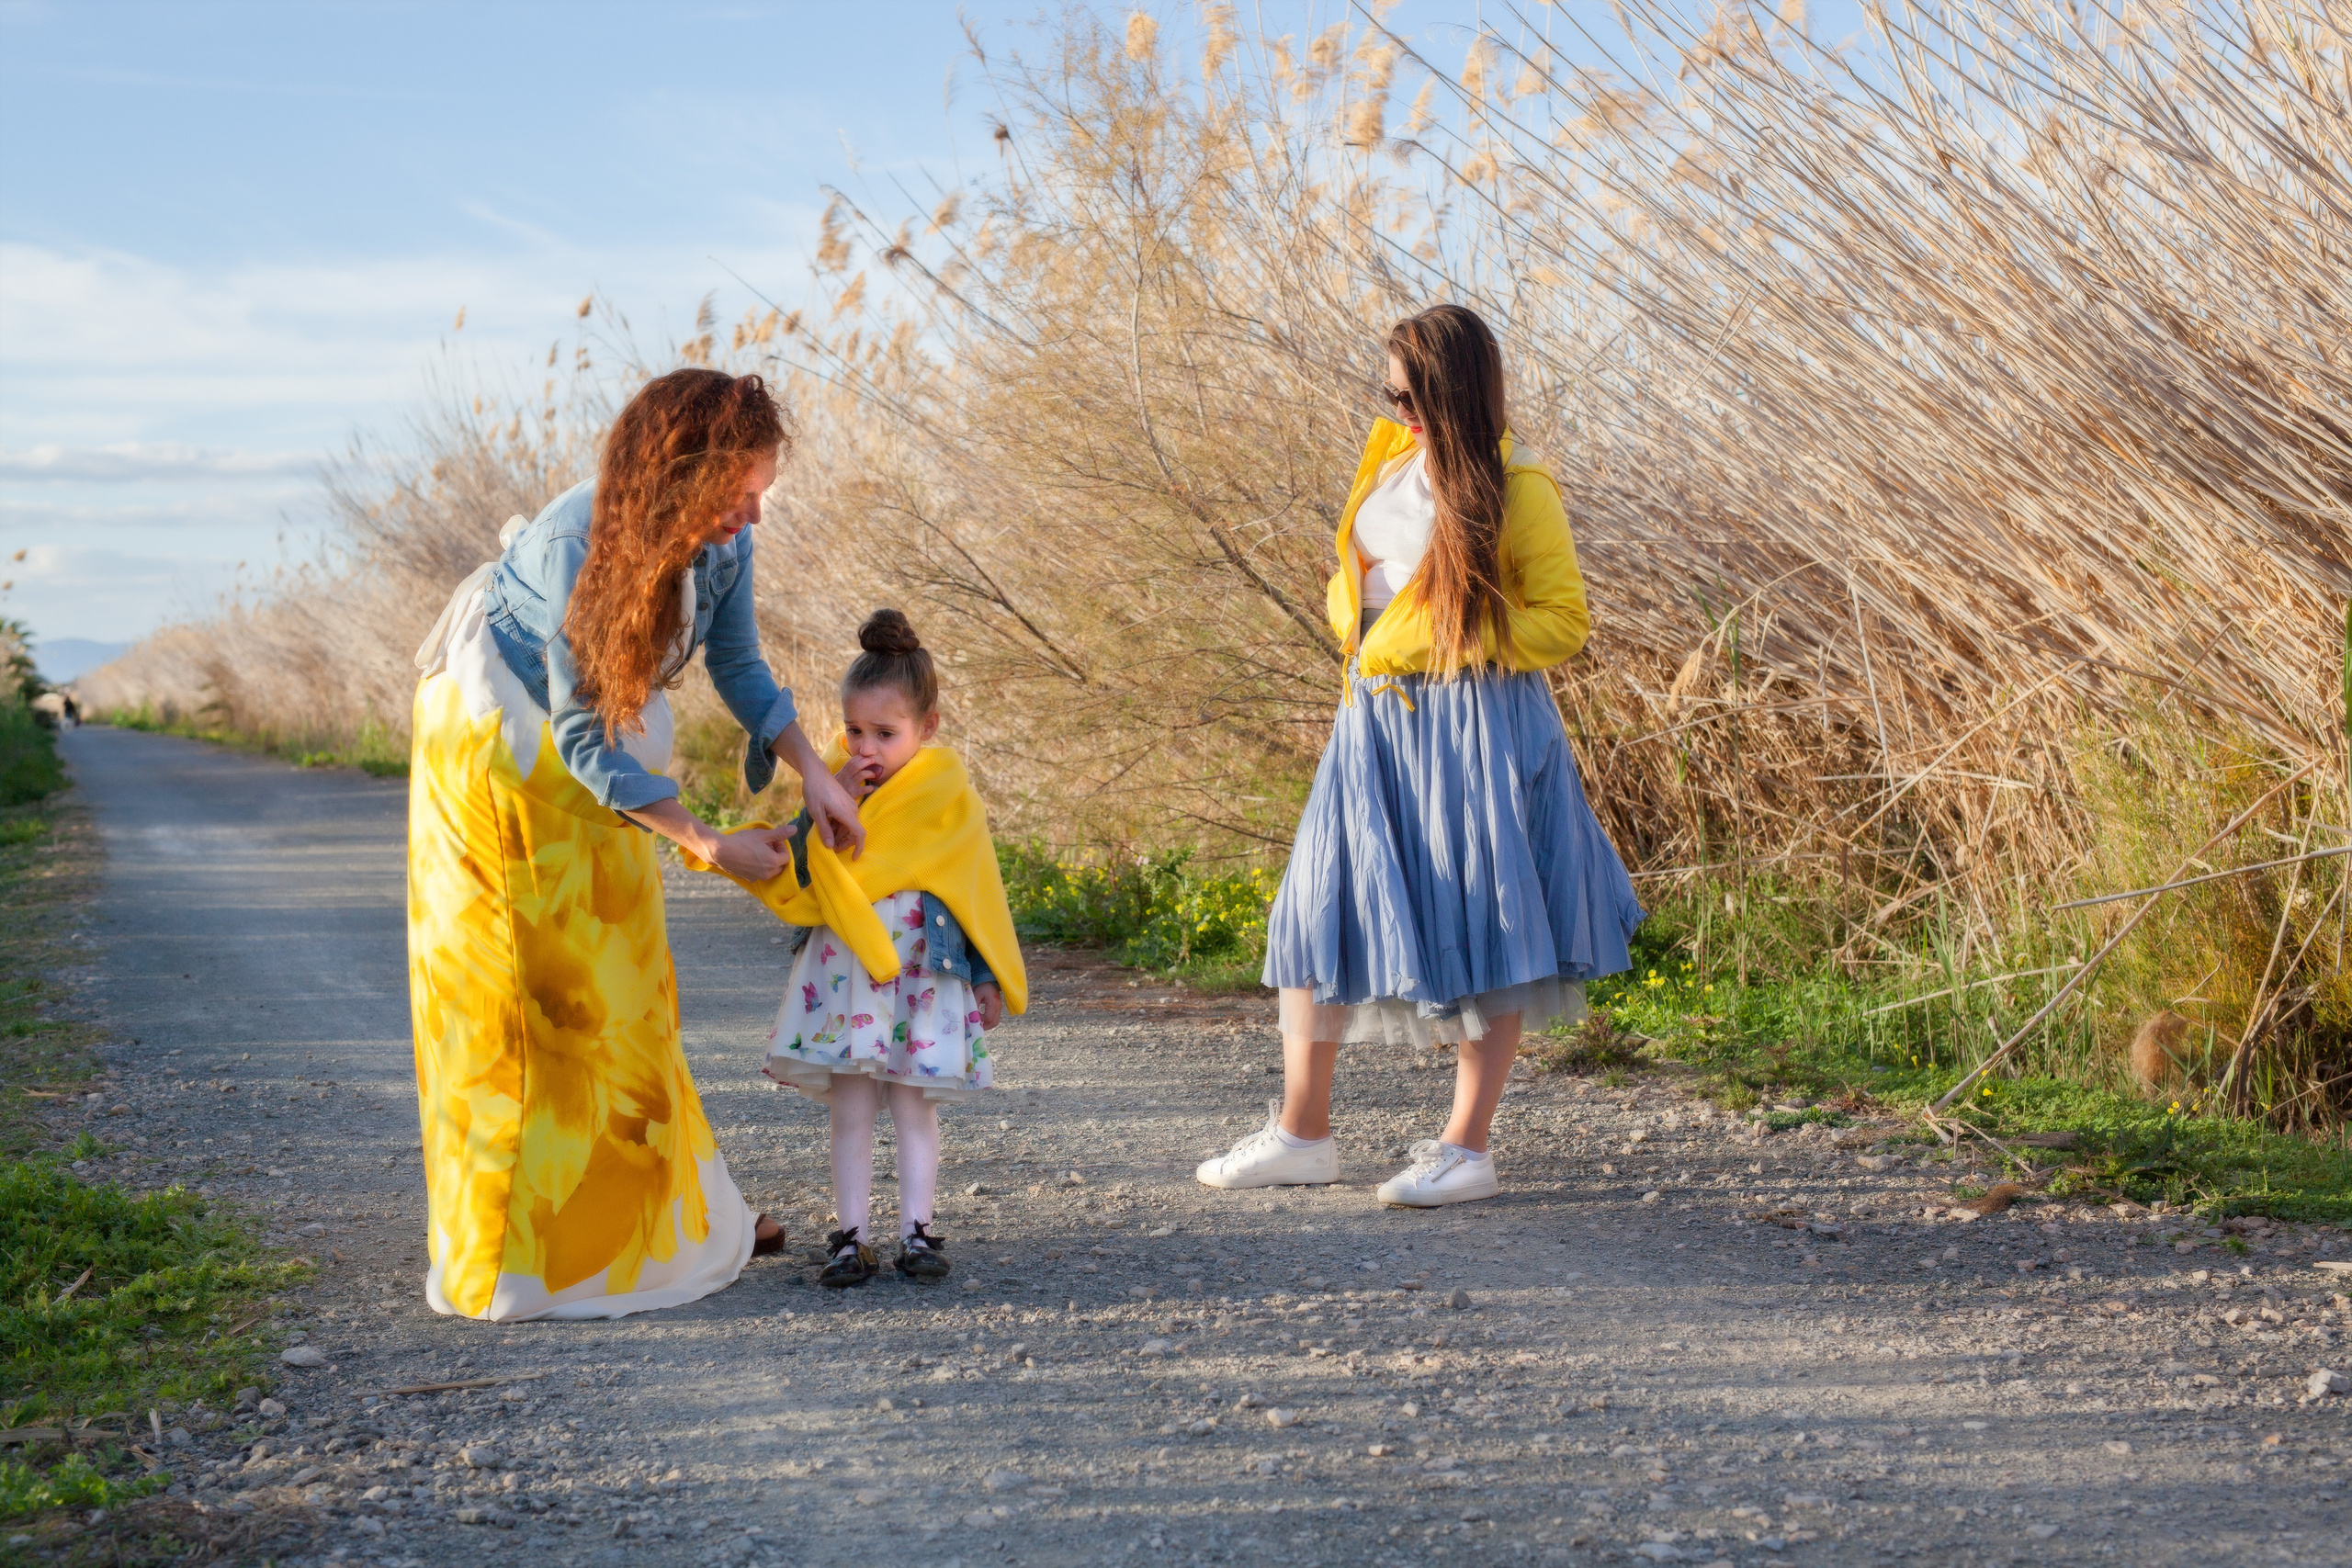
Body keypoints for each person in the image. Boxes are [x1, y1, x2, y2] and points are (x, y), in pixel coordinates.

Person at [407, 367, 865, 1321]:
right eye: (738, 494)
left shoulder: (721, 546)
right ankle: (526, 1251)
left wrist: (815, 773)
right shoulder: (580, 543)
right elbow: (578, 737)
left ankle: (658, 1214)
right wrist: (704, 844)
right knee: (528, 1006)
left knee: (626, 988)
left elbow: (738, 664)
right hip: (499, 754)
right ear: (678, 476)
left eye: (760, 494)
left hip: (600, 761)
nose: (750, 515)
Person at [1197, 304, 1644, 1209]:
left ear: (1455, 392)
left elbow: (1563, 623)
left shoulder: (1519, 487)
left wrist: (1451, 636)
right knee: (1315, 910)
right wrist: (1358, 626)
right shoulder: (1392, 458)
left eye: (1411, 393)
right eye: (1387, 389)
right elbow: (1368, 582)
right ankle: (1301, 1134)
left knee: (1491, 924)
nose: (1395, 406)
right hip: (1373, 720)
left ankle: (1465, 1148)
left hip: (1473, 723)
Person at [697, 609, 1024, 1288]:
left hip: (919, 974)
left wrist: (987, 973)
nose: (866, 745)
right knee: (849, 1110)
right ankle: (850, 1235)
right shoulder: (836, 788)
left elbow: (975, 890)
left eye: (885, 732)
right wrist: (826, 809)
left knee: (913, 1106)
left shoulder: (950, 798)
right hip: (846, 973)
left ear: (927, 728)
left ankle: (918, 1230)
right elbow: (807, 873)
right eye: (853, 730)